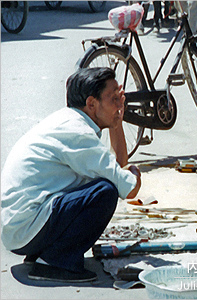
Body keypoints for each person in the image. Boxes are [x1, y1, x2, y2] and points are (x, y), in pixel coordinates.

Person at [1, 67, 142, 283]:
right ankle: (55, 263)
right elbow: (128, 187)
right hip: (25, 229)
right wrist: (134, 174)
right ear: (91, 104)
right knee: (105, 192)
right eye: (114, 98)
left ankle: (46, 254)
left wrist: (117, 123)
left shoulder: (70, 121)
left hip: (21, 228)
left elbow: (117, 164)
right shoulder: (77, 133)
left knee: (102, 184)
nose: (119, 104)